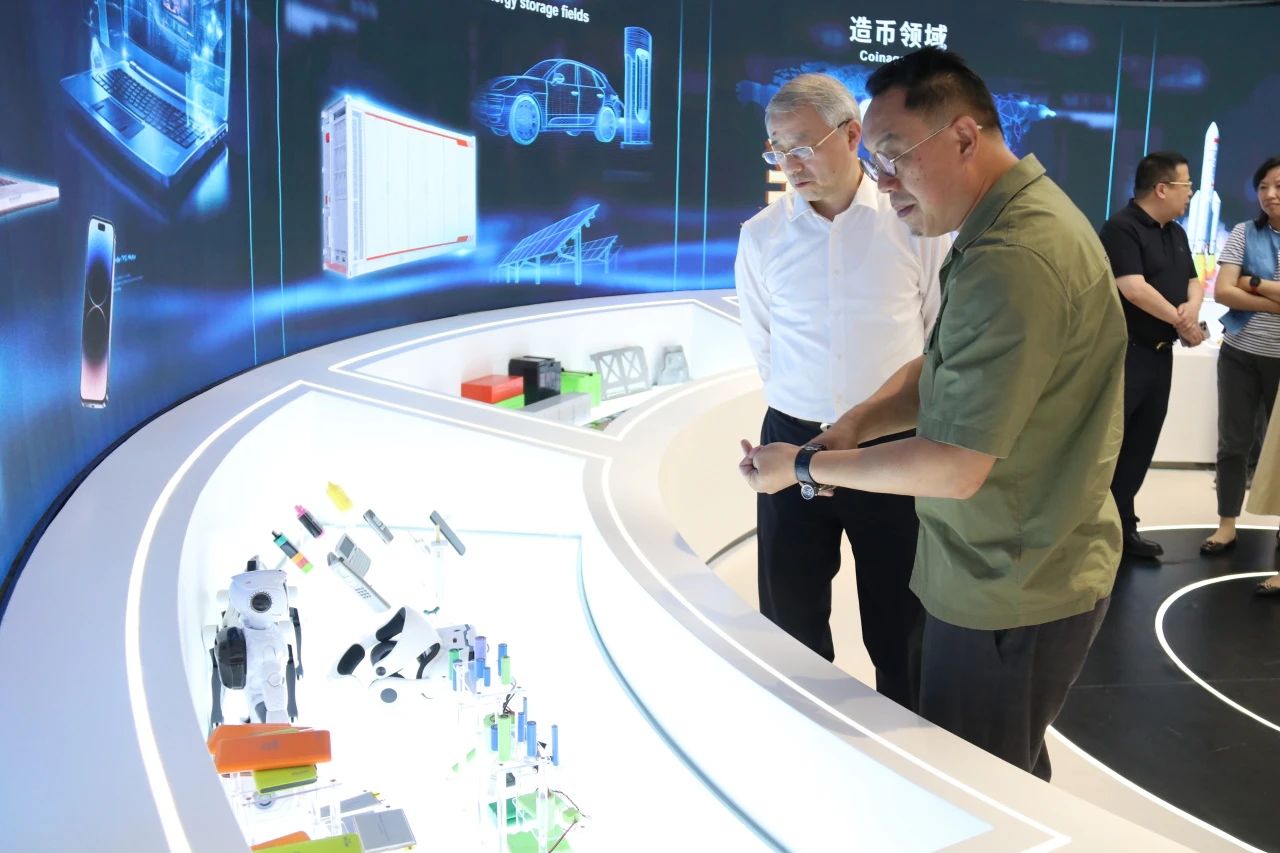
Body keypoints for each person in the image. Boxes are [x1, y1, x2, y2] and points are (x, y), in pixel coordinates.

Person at [738, 47, 1126, 782]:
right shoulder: (994, 231)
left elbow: (953, 463)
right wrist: (856, 423)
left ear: (964, 136)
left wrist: (810, 464)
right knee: (984, 763)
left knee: (974, 781)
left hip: (1009, 575)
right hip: (983, 549)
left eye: (893, 155)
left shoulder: (1011, 255)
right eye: (776, 149)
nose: (886, 179)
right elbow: (942, 362)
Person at [734, 73, 951, 710]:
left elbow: (938, 334)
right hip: (791, 439)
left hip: (892, 446)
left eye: (802, 145)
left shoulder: (913, 225)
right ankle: (805, 733)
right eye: (778, 149)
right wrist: (804, 417)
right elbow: (764, 342)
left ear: (853, 134)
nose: (790, 163)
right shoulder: (761, 235)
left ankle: (908, 744)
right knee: (790, 619)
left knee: (902, 620)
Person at [1098, 152, 1206, 560]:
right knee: (1111, 445)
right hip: (1126, 354)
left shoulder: (1175, 232)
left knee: (1141, 445)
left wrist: (1191, 310)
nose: (1190, 193)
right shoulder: (1122, 227)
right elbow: (1133, 288)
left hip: (1161, 356)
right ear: (1162, 188)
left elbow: (1193, 281)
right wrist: (1183, 322)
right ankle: (1093, 532)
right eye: (1186, 185)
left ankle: (1124, 527)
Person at [1200, 156, 1280, 555]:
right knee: (1233, 443)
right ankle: (1226, 524)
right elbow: (1223, 292)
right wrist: (1272, 298)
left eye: (1278, 186)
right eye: (1263, 187)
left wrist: (1254, 282)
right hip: (1240, 354)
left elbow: (1239, 287)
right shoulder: (1244, 232)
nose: (1270, 194)